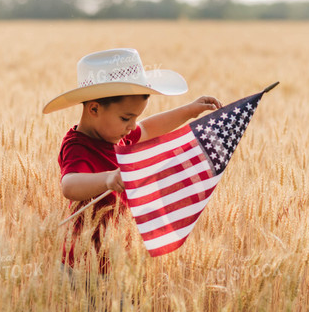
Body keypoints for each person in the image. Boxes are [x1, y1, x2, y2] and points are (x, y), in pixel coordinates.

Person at [43, 48, 222, 275]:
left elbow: (148, 128)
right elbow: (69, 186)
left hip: (117, 259)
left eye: (135, 117)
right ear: (94, 108)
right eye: (126, 118)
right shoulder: (78, 146)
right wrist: (108, 178)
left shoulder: (120, 135)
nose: (132, 126)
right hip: (81, 264)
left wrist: (190, 110)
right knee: (85, 311)